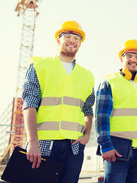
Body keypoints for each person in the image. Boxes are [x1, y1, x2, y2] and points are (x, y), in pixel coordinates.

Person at [22, 20, 95, 183]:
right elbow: (29, 103)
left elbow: (88, 108)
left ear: (80, 44)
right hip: (44, 145)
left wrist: (87, 135)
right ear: (58, 40)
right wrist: (32, 141)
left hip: (74, 148)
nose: (72, 41)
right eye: (68, 36)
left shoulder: (87, 75)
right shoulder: (39, 65)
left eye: (77, 38)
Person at [96, 39, 137, 183]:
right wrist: (105, 145)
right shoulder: (109, 82)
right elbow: (101, 116)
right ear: (121, 58)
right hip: (117, 151)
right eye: (129, 55)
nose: (134, 59)